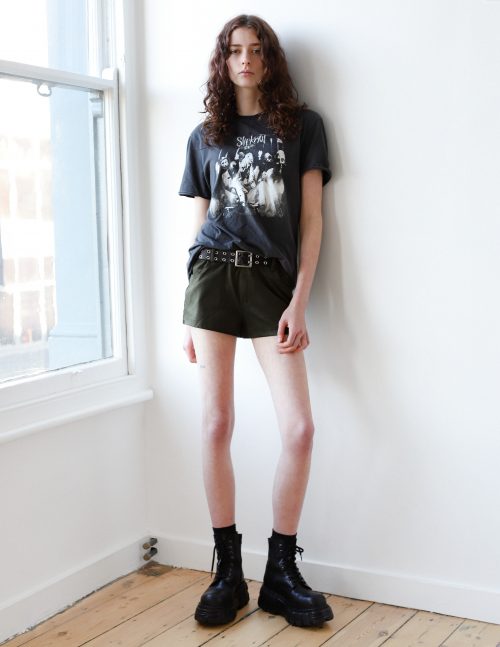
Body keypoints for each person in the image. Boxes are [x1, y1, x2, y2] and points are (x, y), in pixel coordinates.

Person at [179, 14, 333, 628]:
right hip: (213, 278)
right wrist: (187, 312)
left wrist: (299, 300)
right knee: (216, 423)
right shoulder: (205, 136)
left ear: (271, 58)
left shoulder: (303, 127)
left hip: (273, 283)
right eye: (235, 50)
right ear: (224, 61)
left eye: (256, 49)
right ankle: (226, 571)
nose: (245, 59)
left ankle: (279, 573)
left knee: (299, 429)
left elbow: (312, 221)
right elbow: (198, 225)